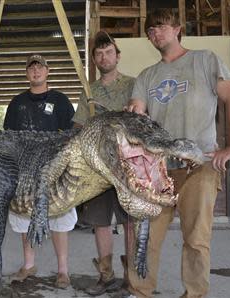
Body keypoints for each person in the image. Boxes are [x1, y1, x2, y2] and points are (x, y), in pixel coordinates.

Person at [125, 8, 230, 298]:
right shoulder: (147, 76)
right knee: (146, 237)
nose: (156, 33)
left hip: (199, 164)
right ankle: (140, 291)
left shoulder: (205, 61)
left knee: (196, 238)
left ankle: (194, 294)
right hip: (158, 170)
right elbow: (137, 111)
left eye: (161, 27)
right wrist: (132, 115)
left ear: (178, 29)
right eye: (150, 30)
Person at [4, 54, 77, 289]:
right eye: (31, 68)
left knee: (59, 219)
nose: (35, 71)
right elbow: (8, 138)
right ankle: (28, 265)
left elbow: (71, 136)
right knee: (24, 218)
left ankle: (63, 271)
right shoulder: (16, 104)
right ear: (26, 73)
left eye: (40, 67)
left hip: (55, 170)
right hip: (24, 171)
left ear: (48, 71)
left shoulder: (61, 101)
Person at [72, 31, 137, 297]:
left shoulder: (134, 85)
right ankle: (106, 276)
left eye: (108, 52)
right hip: (98, 167)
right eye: (99, 54)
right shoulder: (89, 92)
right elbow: (78, 126)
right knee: (100, 222)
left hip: (128, 166)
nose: (103, 57)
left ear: (117, 56)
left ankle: (132, 279)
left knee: (130, 221)